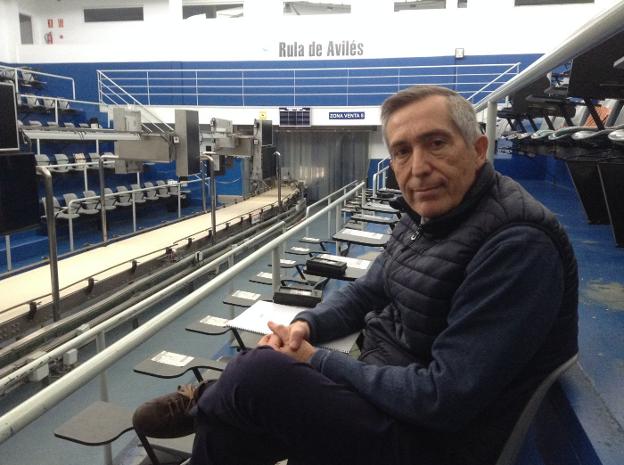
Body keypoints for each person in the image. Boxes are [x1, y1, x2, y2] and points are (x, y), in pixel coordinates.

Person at [133, 85, 578, 465]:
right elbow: (367, 292)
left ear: (478, 149)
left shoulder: (516, 243)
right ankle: (216, 400)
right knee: (235, 419)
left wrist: (315, 359)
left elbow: (443, 399)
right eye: (402, 151)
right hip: (385, 391)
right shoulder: (428, 215)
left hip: (434, 442)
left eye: (436, 143)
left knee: (255, 379)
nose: (417, 167)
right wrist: (303, 328)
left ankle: (212, 395)